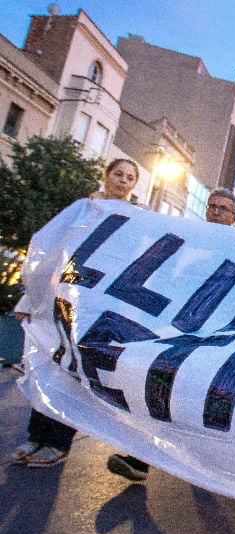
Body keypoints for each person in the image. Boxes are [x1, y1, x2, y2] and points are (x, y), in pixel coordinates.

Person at [8, 159, 141, 468]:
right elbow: (53, 252)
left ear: (134, 185)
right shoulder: (83, 209)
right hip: (58, 296)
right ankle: (35, 435)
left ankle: (57, 442)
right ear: (106, 176)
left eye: (130, 177)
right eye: (118, 174)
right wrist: (28, 302)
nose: (123, 181)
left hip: (91, 306)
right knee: (44, 365)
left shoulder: (135, 219)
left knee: (70, 371)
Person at [106, 188, 235, 483]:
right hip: (180, 331)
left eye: (223, 209)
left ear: (234, 217)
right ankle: (140, 458)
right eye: (212, 206)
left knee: (204, 398)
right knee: (159, 387)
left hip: (217, 337)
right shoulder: (189, 237)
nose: (216, 212)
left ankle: (216, 466)